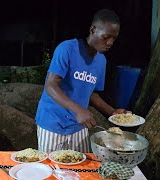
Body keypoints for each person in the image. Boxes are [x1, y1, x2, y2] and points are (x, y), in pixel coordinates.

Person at [35, 9, 129, 153]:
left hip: (79, 126)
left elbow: (91, 94)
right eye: (106, 37)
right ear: (93, 29)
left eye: (114, 38)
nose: (110, 42)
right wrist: (78, 109)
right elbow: (51, 84)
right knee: (53, 169)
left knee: (81, 169)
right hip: (53, 122)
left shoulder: (101, 61)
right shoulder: (67, 49)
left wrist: (112, 111)